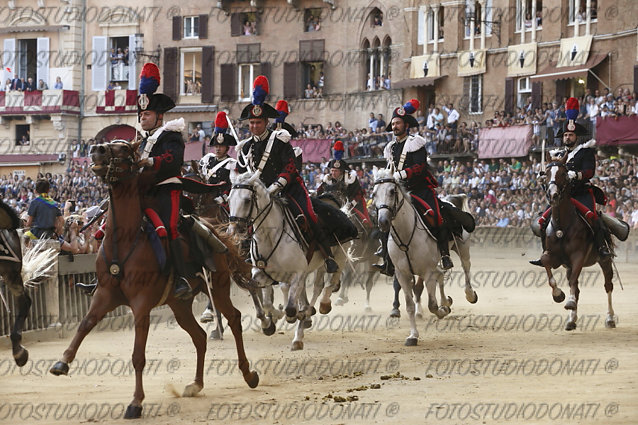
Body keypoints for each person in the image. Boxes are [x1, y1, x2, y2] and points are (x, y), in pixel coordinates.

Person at [236, 75, 338, 273]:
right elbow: (242, 173)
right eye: (251, 123)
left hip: (288, 189)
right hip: (260, 194)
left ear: (266, 122)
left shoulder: (279, 141)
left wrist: (276, 186)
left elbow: (290, 167)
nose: (254, 126)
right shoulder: (246, 147)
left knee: (309, 215)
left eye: (258, 122)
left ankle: (327, 256)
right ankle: (248, 256)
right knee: (242, 219)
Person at [374, 99, 474, 275]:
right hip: (399, 192)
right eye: (394, 123)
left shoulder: (416, 142)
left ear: (406, 125)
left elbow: (420, 167)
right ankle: (387, 258)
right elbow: (391, 168)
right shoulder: (390, 148)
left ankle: (444, 254)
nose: (395, 126)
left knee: (437, 215)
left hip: (419, 189)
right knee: (384, 216)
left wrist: (402, 174)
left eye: (398, 123)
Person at [530, 98, 611, 266]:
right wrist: (544, 176)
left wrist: (576, 175)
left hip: (581, 193)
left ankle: (602, 248)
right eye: (565, 135)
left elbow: (590, 171)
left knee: (593, 218)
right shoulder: (557, 155)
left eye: (570, 135)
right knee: (542, 222)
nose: (567, 137)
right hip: (562, 196)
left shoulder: (585, 152)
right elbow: (552, 175)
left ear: (576, 136)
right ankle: (546, 251)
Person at [136, 62, 192, 299]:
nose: (142, 118)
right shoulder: (139, 141)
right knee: (110, 224)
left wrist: (148, 162)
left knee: (169, 228)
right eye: (141, 114)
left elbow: (172, 160)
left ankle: (181, 277)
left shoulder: (171, 135)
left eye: (146, 114)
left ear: (159, 117)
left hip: (167, 191)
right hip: (143, 193)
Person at [199, 111, 237, 208]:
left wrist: (223, 197)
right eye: (216, 146)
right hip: (206, 199)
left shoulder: (231, 164)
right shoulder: (207, 160)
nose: (218, 149)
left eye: (221, 146)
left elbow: (232, 186)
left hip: (223, 202)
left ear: (227, 148)